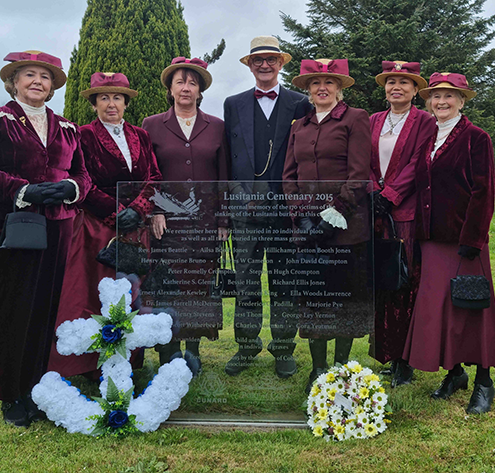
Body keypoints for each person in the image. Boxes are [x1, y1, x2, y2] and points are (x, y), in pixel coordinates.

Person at [0, 50, 91, 427]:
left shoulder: (67, 127)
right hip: (9, 223)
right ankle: (11, 393)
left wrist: (69, 187)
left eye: (45, 77)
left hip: (57, 222)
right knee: (12, 305)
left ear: (52, 87)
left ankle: (37, 386)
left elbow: (83, 174)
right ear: (14, 81)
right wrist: (25, 189)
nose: (37, 81)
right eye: (29, 74)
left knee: (47, 306)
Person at [47, 72, 164, 379]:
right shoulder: (82, 135)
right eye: (103, 98)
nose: (111, 104)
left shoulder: (141, 136)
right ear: (94, 104)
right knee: (92, 295)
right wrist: (115, 212)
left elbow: (154, 177)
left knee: (130, 292)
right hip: (96, 228)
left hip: (135, 228)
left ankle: (128, 357)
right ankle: (89, 363)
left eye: (117, 97)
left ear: (126, 102)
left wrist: (137, 210)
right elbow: (82, 180)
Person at [405, 72, 495, 414]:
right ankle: (454, 373)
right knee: (440, 309)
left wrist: (474, 238)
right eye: (436, 96)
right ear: (428, 101)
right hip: (433, 239)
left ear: (462, 101)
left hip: (465, 240)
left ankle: (484, 381)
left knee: (472, 309)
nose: (442, 102)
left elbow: (483, 190)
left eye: (450, 96)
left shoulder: (476, 138)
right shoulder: (427, 137)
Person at [222, 35, 312, 378]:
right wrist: (236, 193)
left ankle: (283, 347)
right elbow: (228, 158)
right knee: (246, 281)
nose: (264, 65)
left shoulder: (299, 102)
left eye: (270, 59)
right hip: (245, 211)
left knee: (283, 282)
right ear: (249, 64)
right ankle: (246, 346)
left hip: (284, 211)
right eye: (257, 59)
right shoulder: (233, 104)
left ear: (281, 64)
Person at [282, 59, 371, 391]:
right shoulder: (298, 126)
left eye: (329, 82)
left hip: (345, 229)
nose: (322, 88)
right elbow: (288, 177)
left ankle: (342, 367)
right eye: (315, 83)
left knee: (343, 298)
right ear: (307, 89)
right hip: (307, 231)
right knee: (314, 299)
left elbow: (359, 172)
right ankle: (318, 369)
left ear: (339, 87)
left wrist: (333, 213)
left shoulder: (355, 119)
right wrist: (302, 216)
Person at [142, 57, 228, 374]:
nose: (186, 88)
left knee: (198, 287)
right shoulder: (151, 125)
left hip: (205, 223)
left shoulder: (216, 126)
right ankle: (169, 352)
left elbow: (223, 176)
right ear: (170, 88)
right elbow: (148, 172)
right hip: (167, 226)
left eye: (192, 82)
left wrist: (223, 220)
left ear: (200, 90)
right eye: (180, 82)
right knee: (168, 286)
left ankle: (193, 350)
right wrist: (153, 211)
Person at [368, 61, 435, 387]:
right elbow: (362, 161)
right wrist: (373, 193)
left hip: (405, 213)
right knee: (382, 284)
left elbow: (417, 163)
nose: (397, 87)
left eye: (404, 83)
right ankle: (388, 354)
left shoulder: (424, 122)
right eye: (391, 81)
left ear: (414, 89)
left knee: (404, 284)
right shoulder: (373, 121)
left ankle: (406, 360)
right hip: (375, 213)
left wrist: (390, 194)